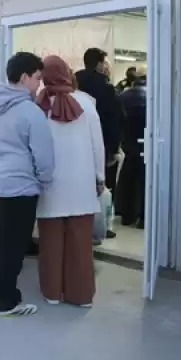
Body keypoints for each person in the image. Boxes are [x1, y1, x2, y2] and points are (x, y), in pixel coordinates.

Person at [0, 52, 54, 317]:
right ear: (24, 77)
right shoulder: (30, 111)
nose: (39, 84)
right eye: (37, 78)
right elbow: (43, 154)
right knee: (14, 245)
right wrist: (44, 179)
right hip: (18, 187)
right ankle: (8, 300)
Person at [35, 56, 104, 307]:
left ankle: (52, 293)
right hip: (81, 182)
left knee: (51, 241)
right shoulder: (87, 103)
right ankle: (81, 295)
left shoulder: (37, 105)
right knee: (80, 242)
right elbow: (98, 145)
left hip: (49, 183)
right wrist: (100, 177)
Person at [75, 48, 121, 239]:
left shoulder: (75, 81)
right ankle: (100, 226)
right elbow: (114, 120)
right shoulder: (105, 87)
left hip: (76, 144)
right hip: (99, 142)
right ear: (100, 64)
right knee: (102, 187)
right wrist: (113, 148)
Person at [115, 66, 147, 229]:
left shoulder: (123, 95)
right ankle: (143, 216)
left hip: (128, 142)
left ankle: (126, 214)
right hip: (146, 142)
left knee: (127, 177)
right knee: (144, 180)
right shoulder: (153, 96)